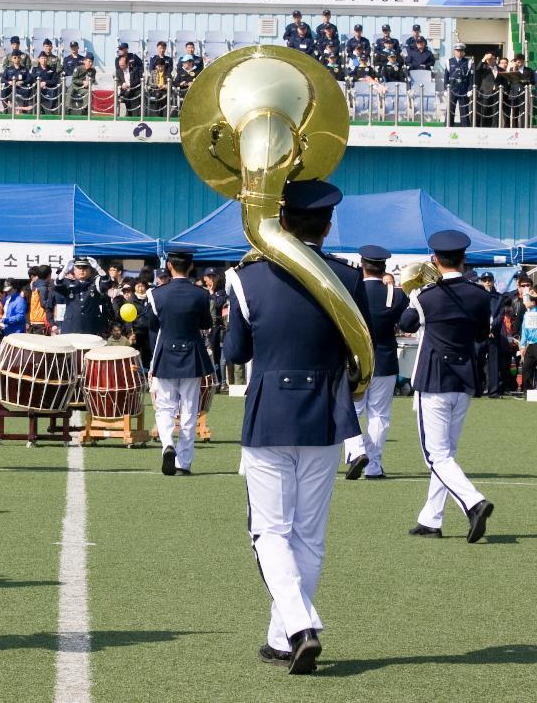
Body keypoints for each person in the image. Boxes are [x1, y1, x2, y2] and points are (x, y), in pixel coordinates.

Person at [222, 180, 370, 675]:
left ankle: (301, 625)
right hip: (326, 413)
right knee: (308, 533)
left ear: (281, 221)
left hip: (270, 413)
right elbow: (359, 351)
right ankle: (283, 637)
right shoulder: (349, 278)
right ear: (328, 226)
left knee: (269, 532)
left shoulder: (245, 279)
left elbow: (234, 354)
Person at [397, 230, 494, 542]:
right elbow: (481, 336)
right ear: (463, 259)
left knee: (435, 455)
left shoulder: (427, 296)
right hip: (464, 378)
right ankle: (432, 518)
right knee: (446, 453)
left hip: (434, 377)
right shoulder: (481, 295)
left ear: (435, 260)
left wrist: (414, 293)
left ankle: (473, 502)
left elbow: (406, 323)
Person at [343, 246, 408, 480]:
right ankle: (373, 466)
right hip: (385, 361)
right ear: (384, 268)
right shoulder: (395, 294)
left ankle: (355, 453)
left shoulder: (348, 291)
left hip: (356, 362)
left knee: (350, 411)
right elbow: (408, 323)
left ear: (362, 265)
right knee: (379, 416)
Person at [145, 249, 213, 477]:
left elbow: (153, 326)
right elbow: (206, 323)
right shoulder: (201, 294)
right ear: (191, 266)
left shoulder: (155, 294)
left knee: (164, 406)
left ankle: (167, 444)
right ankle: (183, 463)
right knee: (189, 409)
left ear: (170, 267)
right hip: (192, 354)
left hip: (166, 353)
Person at [55, 257, 112, 337]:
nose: (82, 270)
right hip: (71, 326)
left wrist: (98, 269)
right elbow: (57, 286)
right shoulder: (68, 283)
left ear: (90, 270)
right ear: (74, 270)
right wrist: (64, 271)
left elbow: (107, 284)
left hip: (91, 326)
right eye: (79, 268)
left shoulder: (95, 283)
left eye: (85, 268)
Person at [446, 43, 473, 125]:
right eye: (457, 51)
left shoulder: (468, 62)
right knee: (450, 109)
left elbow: (470, 77)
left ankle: (465, 127)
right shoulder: (449, 61)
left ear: (463, 52)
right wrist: (445, 88)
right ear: (454, 51)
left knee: (464, 110)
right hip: (452, 89)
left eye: (461, 51)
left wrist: (470, 89)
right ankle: (448, 126)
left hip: (463, 89)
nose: (459, 53)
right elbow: (446, 76)